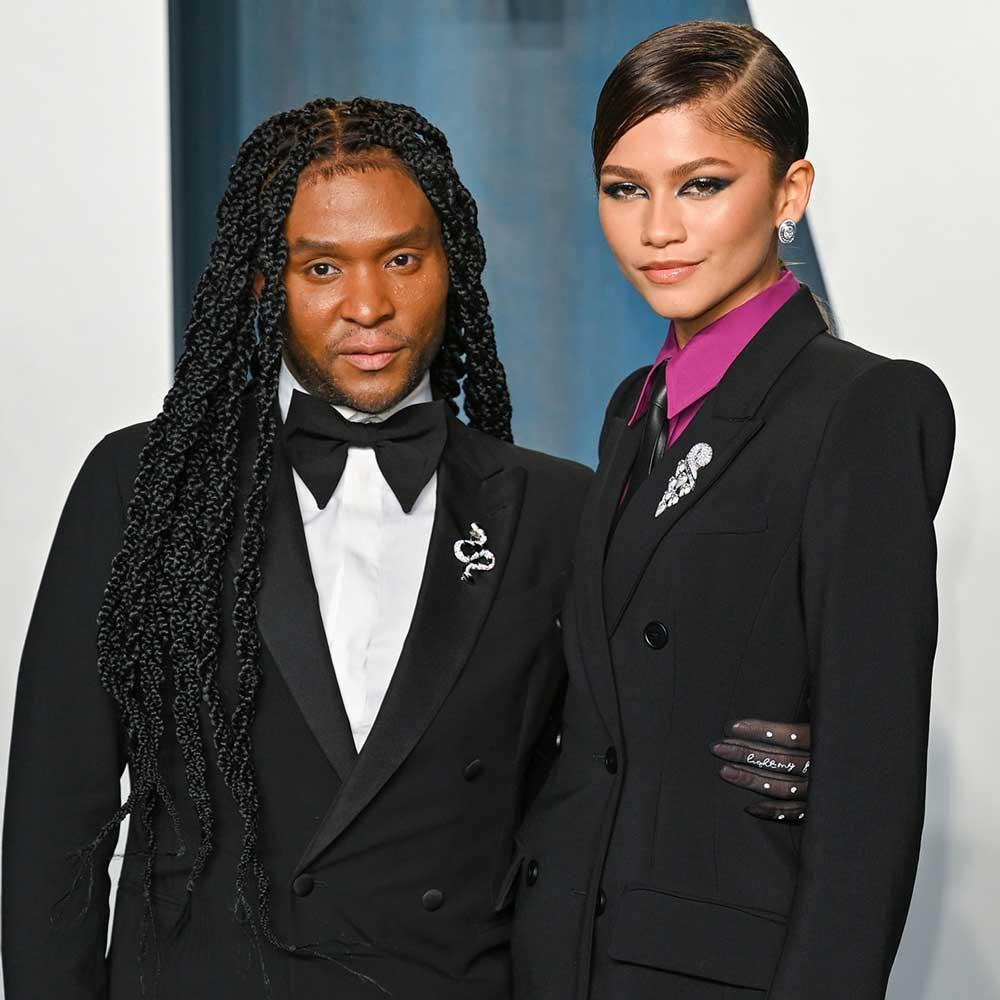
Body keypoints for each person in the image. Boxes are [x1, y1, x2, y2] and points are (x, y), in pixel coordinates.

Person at [509, 21, 955, 1000]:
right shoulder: (631, 409)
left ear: (789, 193)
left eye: (701, 184)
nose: (657, 229)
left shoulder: (861, 406)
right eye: (625, 189)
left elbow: (872, 784)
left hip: (715, 966)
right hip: (567, 949)